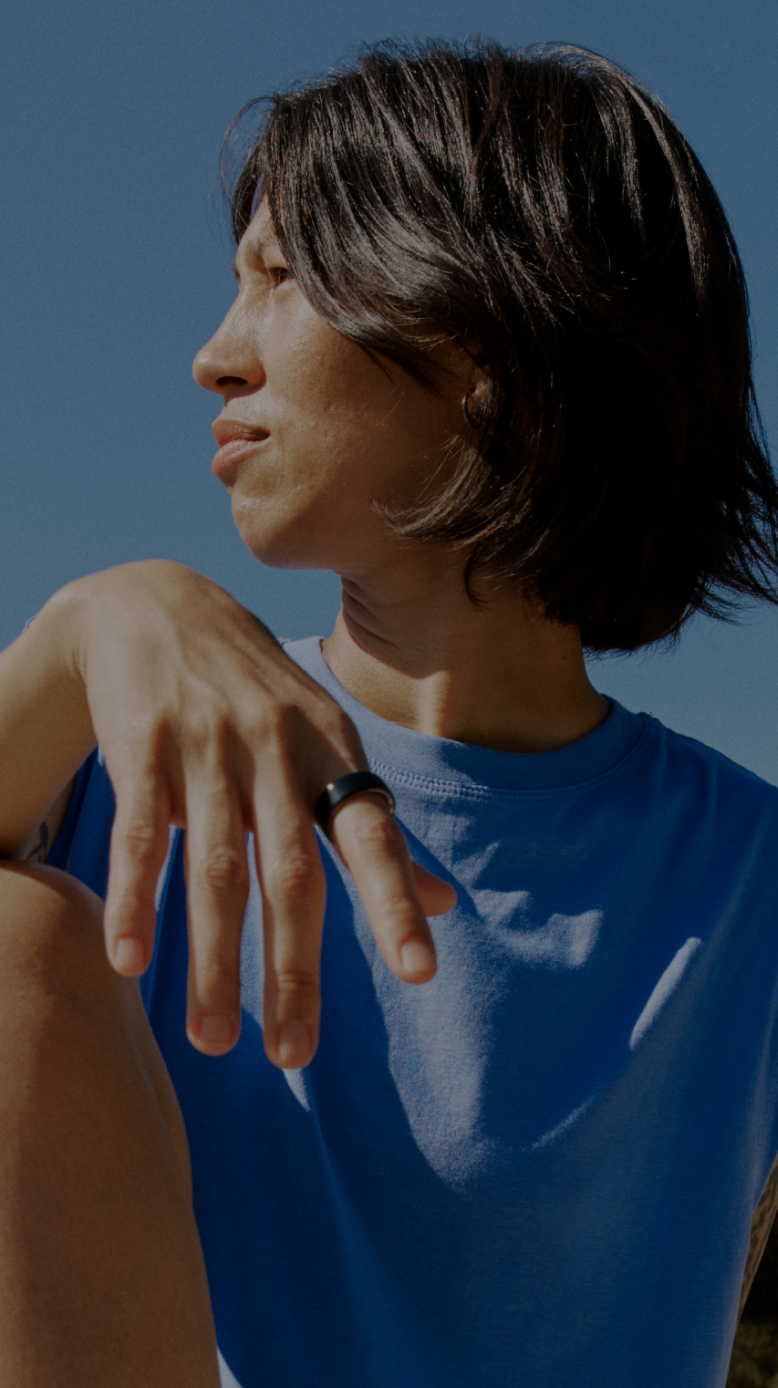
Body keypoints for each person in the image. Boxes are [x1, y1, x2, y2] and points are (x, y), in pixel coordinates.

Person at [0, 37, 777, 1388]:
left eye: (279, 279)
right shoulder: (114, 754)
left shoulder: (749, 878)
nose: (210, 358)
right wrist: (84, 629)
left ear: (494, 336)